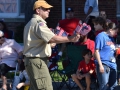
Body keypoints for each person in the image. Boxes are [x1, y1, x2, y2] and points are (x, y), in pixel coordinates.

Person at [23, 0, 80, 90]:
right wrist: (70, 38)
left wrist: (48, 45)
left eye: (48, 9)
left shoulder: (31, 23)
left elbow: (35, 43)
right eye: (45, 9)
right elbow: (52, 38)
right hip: (37, 61)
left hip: (33, 61)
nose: (48, 10)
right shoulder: (39, 23)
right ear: (38, 10)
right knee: (46, 88)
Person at [94, 22, 119, 90]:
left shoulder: (111, 38)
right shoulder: (101, 36)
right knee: (104, 85)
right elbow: (96, 51)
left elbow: (110, 51)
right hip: (104, 63)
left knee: (113, 85)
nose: (116, 34)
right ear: (110, 30)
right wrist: (100, 65)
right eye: (115, 32)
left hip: (112, 64)